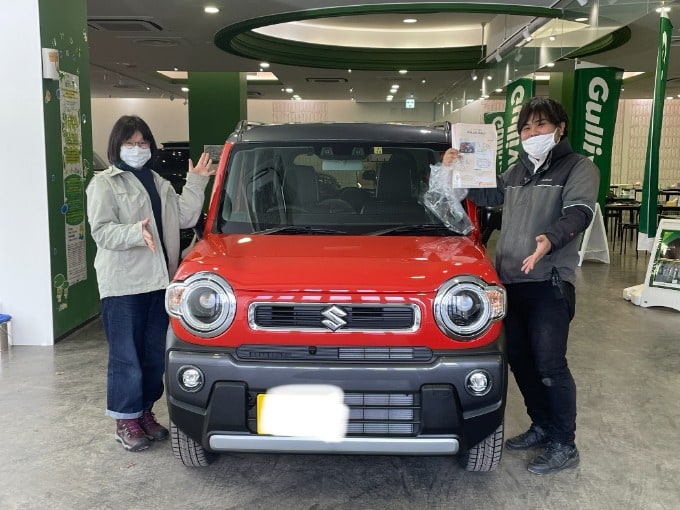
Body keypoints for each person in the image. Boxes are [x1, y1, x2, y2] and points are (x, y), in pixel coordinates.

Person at [443, 97, 599, 474]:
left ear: (560, 128)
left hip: (549, 281)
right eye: (526, 128)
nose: (533, 133)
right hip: (511, 281)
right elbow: (484, 194)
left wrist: (550, 238)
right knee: (522, 364)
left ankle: (565, 442)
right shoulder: (517, 172)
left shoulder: (578, 167)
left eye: (541, 125)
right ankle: (541, 425)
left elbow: (579, 211)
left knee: (550, 365)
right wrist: (456, 168)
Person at [86, 115, 215, 452]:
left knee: (154, 356)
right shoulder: (105, 184)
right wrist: (134, 233)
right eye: (130, 143)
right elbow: (100, 230)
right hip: (124, 284)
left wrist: (197, 181)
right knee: (126, 357)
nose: (137, 148)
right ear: (117, 146)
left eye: (143, 143)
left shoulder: (157, 182)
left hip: (160, 282)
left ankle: (144, 412)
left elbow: (185, 217)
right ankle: (125, 419)